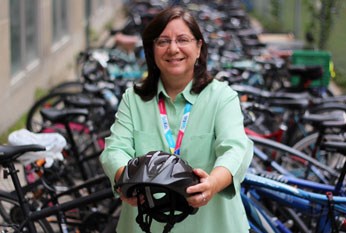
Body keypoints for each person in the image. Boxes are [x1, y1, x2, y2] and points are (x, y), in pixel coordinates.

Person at [100, 6, 253, 233]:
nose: (173, 49)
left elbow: (235, 149)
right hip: (145, 224)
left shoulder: (222, 97)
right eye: (163, 42)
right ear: (151, 50)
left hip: (212, 225)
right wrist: (127, 181)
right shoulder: (134, 99)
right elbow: (114, 149)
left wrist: (212, 184)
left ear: (199, 47)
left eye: (183, 40)